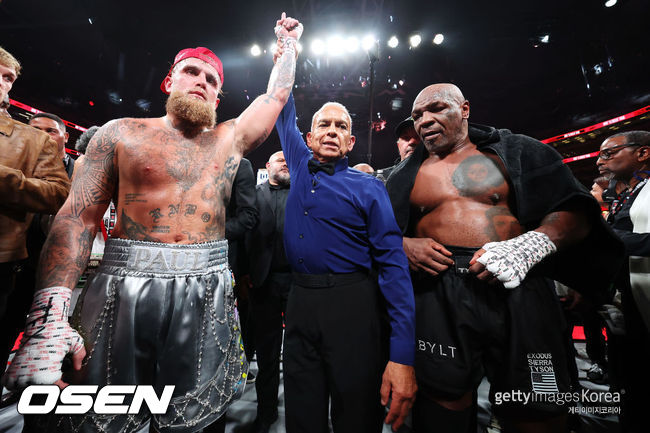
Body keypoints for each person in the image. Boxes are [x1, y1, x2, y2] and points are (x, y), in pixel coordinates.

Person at [3, 13, 302, 433]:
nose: (201, 81)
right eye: (191, 72)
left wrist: (287, 45)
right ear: (169, 82)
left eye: (212, 79)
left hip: (206, 287)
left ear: (218, 96)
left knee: (189, 421)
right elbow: (77, 217)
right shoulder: (120, 133)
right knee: (96, 418)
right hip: (122, 287)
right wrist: (50, 312)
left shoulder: (229, 139)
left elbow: (277, 94)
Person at [386, 83, 623, 432]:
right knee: (442, 403)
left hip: (521, 287)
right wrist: (403, 245)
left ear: (464, 109)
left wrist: (530, 246)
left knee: (539, 406)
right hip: (439, 291)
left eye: (436, 108)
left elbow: (574, 210)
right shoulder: (401, 176)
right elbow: (379, 236)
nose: (425, 120)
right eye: (418, 115)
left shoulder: (519, 151)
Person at [275, 94, 417, 433]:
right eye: (323, 124)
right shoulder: (297, 164)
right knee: (301, 415)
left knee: (356, 415)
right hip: (300, 304)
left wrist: (402, 356)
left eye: (341, 127)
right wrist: (287, 50)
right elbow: (282, 108)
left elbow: (394, 268)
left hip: (353, 306)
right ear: (308, 139)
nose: (331, 131)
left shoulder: (369, 188)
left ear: (351, 142)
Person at [0, 46, 70, 378]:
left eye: (7, 77)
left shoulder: (29, 142)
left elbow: (58, 195)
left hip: (19, 265)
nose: (1, 82)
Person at [596, 130, 650, 432]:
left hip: (642, 295)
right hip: (623, 298)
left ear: (642, 153)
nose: (600, 161)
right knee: (626, 374)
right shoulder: (624, 196)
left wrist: (606, 240)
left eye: (609, 153)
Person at [245, 151, 291, 432]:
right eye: (279, 158)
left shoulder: (303, 192)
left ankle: (302, 410)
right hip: (262, 283)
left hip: (299, 283)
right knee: (267, 355)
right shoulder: (252, 194)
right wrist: (242, 274)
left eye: (288, 159)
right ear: (267, 166)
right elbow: (240, 235)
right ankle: (266, 412)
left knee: (300, 353)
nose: (284, 162)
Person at [29, 112, 74, 177]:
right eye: (35, 130)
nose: (43, 135)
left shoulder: (81, 171)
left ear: (65, 137)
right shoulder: (14, 164)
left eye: (51, 131)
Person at [376, 116, 421, 182]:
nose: (412, 142)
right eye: (406, 137)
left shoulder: (439, 176)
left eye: (418, 136)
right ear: (398, 146)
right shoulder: (378, 178)